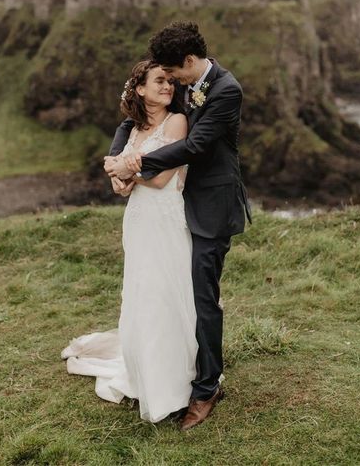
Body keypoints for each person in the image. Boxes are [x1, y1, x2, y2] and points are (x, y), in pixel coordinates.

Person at [105, 21, 252, 431]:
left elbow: (194, 145)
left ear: (189, 62)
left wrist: (131, 165)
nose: (169, 83)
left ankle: (206, 389)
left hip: (209, 204)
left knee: (203, 298)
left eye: (173, 74)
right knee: (169, 293)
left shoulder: (225, 90)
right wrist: (117, 154)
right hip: (171, 208)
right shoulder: (185, 82)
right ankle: (177, 368)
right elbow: (135, 120)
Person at [62, 60, 199, 423]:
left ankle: (170, 384)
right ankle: (143, 372)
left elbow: (160, 178)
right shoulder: (134, 129)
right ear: (140, 89)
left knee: (164, 294)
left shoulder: (177, 122)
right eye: (159, 81)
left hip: (166, 221)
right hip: (138, 221)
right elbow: (123, 177)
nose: (168, 86)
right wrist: (120, 180)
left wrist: (127, 173)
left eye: (171, 81)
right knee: (140, 293)